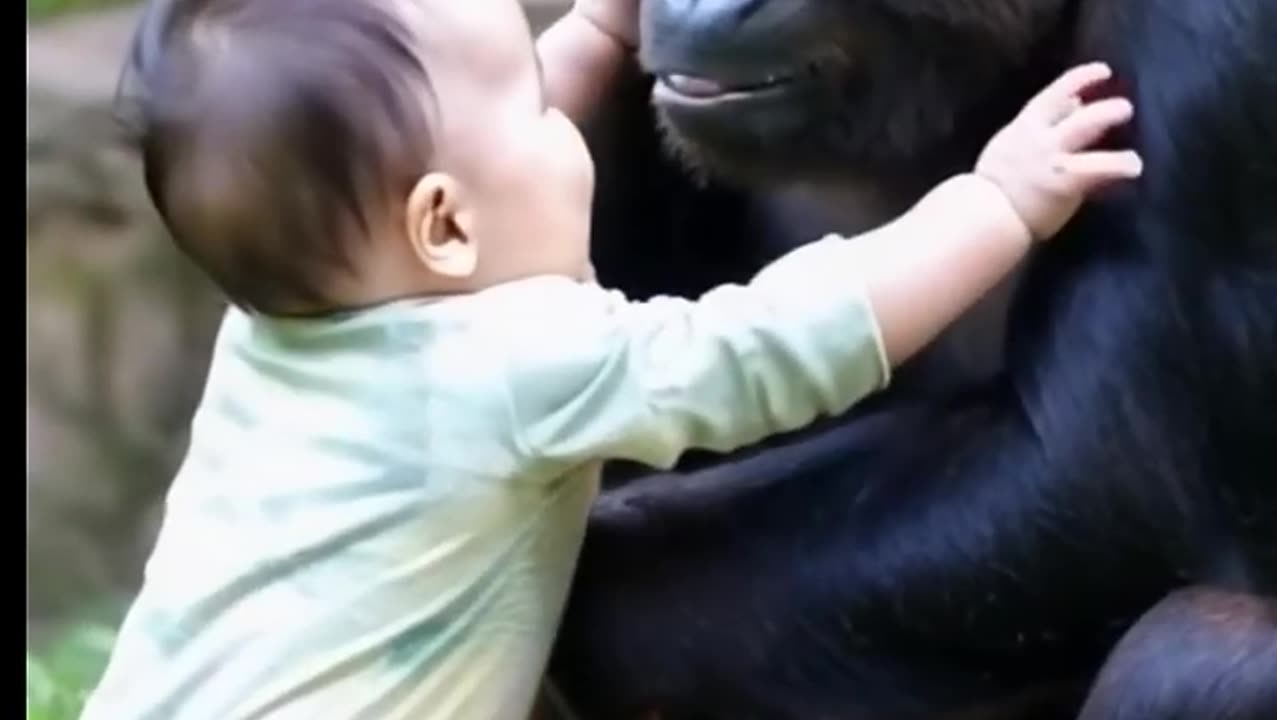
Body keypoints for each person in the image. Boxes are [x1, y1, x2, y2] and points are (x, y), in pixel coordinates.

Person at [79, 0, 1142, 717]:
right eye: (537, 112)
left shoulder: (280, 334)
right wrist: (994, 204)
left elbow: (441, 147)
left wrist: (591, 27)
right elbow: (775, 343)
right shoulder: (519, 368)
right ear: (444, 227)